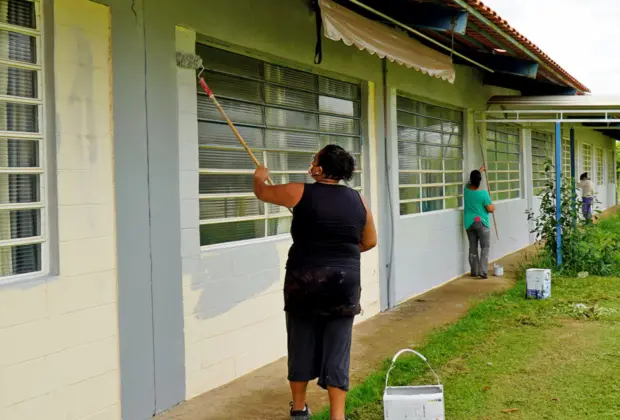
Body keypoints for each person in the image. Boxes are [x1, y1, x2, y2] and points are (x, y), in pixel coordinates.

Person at [253, 144, 377, 420]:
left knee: (300, 344)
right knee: (338, 348)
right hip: (343, 284)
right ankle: (337, 416)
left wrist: (259, 176)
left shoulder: (299, 192)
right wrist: (339, 251)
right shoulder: (359, 200)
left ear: (321, 169)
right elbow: (369, 241)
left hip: (304, 283)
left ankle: (299, 409)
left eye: (315, 159)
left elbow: (262, 192)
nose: (311, 163)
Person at [463, 166, 495, 279]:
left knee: (472, 246)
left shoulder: (466, 190)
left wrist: (480, 171)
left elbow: (469, 182)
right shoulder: (484, 194)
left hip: (469, 223)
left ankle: (474, 271)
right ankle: (483, 271)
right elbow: (490, 209)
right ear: (480, 180)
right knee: (485, 246)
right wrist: (493, 207)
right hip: (482, 223)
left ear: (471, 179)